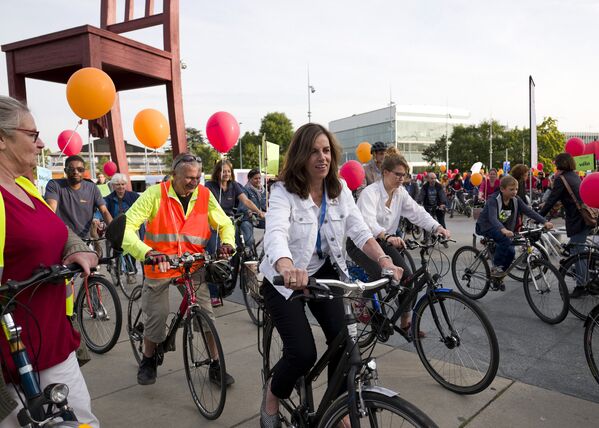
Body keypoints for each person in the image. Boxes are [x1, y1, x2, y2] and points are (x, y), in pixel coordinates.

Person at [259, 124, 403, 428]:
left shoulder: (339, 188)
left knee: (345, 342)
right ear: (300, 155)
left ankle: (338, 410)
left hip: (324, 271)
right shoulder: (283, 191)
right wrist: (286, 267)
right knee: (301, 353)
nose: (322, 157)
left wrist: (384, 260)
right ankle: (273, 394)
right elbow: (275, 235)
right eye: (313, 151)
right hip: (284, 278)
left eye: (326, 150)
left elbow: (359, 230)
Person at [0, 96, 99, 428]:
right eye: (32, 134)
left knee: (82, 422)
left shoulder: (25, 185)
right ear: (1, 138)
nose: (41, 142)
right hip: (12, 362)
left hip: (54, 342)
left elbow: (58, 228)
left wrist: (77, 248)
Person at [121, 153, 236, 387]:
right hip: (160, 264)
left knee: (206, 317)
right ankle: (149, 359)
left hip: (192, 265)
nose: (193, 182)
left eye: (197, 177)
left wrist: (228, 243)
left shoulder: (204, 194)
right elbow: (126, 228)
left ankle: (216, 364)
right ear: (174, 175)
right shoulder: (155, 194)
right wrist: (147, 253)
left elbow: (224, 223)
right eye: (188, 178)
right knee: (158, 315)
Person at [346, 149, 451, 334]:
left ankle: (406, 324)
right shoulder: (370, 193)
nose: (402, 178)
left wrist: (436, 227)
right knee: (380, 275)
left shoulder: (400, 193)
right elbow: (367, 222)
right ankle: (359, 304)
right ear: (385, 172)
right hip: (360, 243)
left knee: (408, 278)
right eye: (398, 174)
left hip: (385, 243)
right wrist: (386, 236)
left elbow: (417, 213)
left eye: (404, 175)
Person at [205, 159, 264, 305]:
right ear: (217, 172)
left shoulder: (235, 186)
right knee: (215, 257)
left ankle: (230, 282)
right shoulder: (210, 186)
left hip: (230, 225)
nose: (226, 174)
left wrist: (259, 212)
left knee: (235, 253)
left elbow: (245, 201)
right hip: (214, 225)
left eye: (228, 171)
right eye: (223, 171)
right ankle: (213, 293)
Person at [475, 175, 553, 281]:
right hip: (487, 226)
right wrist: (504, 230)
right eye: (511, 189)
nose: (515, 192)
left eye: (516, 189)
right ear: (502, 189)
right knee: (504, 240)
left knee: (511, 252)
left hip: (503, 228)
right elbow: (493, 219)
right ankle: (496, 267)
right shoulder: (493, 200)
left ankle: (500, 274)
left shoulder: (515, 199)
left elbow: (528, 211)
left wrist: (544, 222)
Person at [538, 153, 593, 297]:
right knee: (577, 249)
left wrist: (538, 217)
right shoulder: (574, 176)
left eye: (556, 162)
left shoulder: (561, 179)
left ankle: (583, 285)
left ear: (560, 163)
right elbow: (565, 198)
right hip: (584, 217)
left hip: (578, 219)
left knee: (577, 252)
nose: (554, 164)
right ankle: (583, 274)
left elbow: (551, 200)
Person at [45, 155, 113, 239]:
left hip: (85, 239)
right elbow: (50, 211)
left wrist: (114, 230)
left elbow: (104, 211)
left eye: (80, 169)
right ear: (65, 171)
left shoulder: (92, 188)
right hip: (62, 237)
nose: (76, 172)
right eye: (71, 169)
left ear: (84, 171)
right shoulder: (54, 185)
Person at [104, 173, 143, 284]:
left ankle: (131, 272)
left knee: (131, 250)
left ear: (126, 185)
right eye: (117, 184)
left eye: (122, 184)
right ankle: (117, 269)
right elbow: (103, 211)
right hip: (115, 228)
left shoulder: (134, 196)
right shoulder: (108, 199)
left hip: (131, 227)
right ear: (113, 186)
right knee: (117, 250)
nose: (120, 187)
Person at [238, 168, 267, 249]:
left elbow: (267, 206)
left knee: (273, 226)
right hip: (248, 217)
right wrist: (250, 212)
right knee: (249, 240)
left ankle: (265, 251)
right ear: (250, 179)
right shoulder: (244, 190)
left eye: (259, 178)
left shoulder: (264, 190)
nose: (258, 180)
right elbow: (243, 205)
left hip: (261, 217)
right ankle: (250, 254)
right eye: (255, 178)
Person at [417, 172, 448, 241]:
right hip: (428, 206)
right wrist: (419, 202)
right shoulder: (425, 187)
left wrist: (442, 203)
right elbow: (421, 195)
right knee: (426, 222)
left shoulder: (439, 186)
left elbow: (442, 195)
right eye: (431, 178)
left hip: (438, 206)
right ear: (428, 179)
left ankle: (444, 237)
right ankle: (426, 239)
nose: (433, 180)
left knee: (441, 221)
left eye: (435, 178)